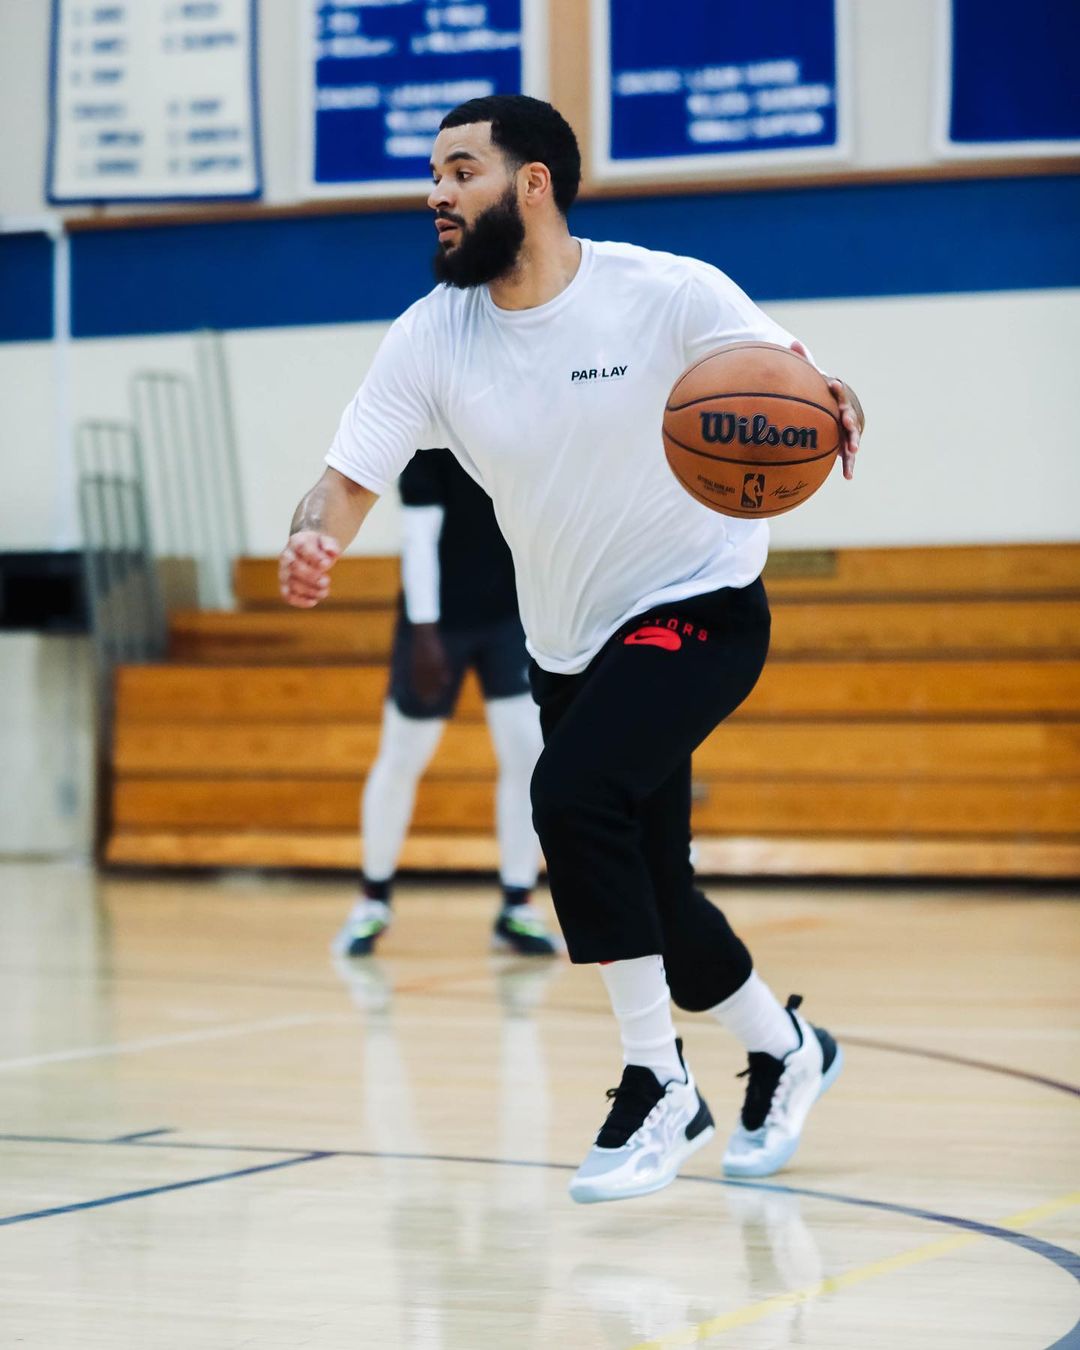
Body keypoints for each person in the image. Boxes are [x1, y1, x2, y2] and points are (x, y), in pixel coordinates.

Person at [280, 95, 864, 1203]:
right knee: (657, 898)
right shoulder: (432, 336)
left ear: (533, 183)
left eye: (461, 171)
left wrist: (832, 399)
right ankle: (788, 1049)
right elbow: (346, 480)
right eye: (434, 174)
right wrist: (315, 538)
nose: (437, 193)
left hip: (700, 604)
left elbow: (788, 377)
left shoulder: (665, 292)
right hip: (569, 642)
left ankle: (659, 1081)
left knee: (569, 793)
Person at [333, 446, 559, 958]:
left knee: (527, 757)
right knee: (402, 756)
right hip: (436, 626)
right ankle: (372, 900)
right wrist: (424, 633)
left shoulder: (518, 431)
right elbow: (418, 537)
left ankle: (518, 904)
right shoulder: (431, 442)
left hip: (509, 619)